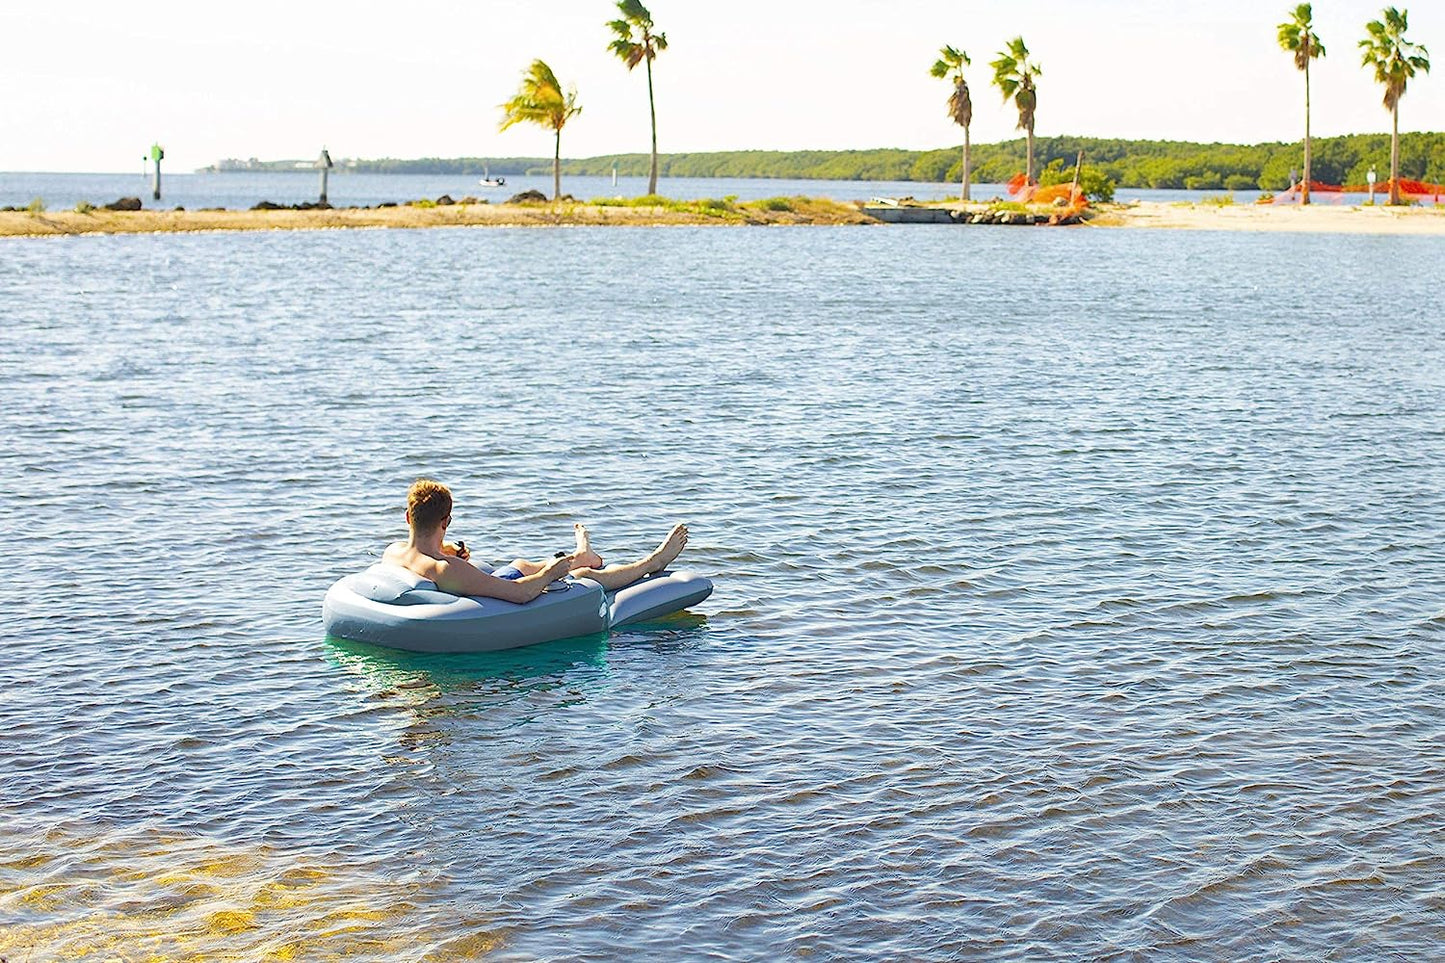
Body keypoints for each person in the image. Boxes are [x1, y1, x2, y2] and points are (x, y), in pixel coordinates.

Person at [382, 478, 689, 604]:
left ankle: (583, 553)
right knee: (580, 577)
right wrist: (551, 574)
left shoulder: (394, 552)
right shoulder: (445, 569)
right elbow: (521, 594)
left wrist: (447, 550)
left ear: (408, 517)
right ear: (446, 521)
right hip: (496, 593)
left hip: (466, 573)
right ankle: (653, 561)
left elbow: (426, 553)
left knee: (520, 564)